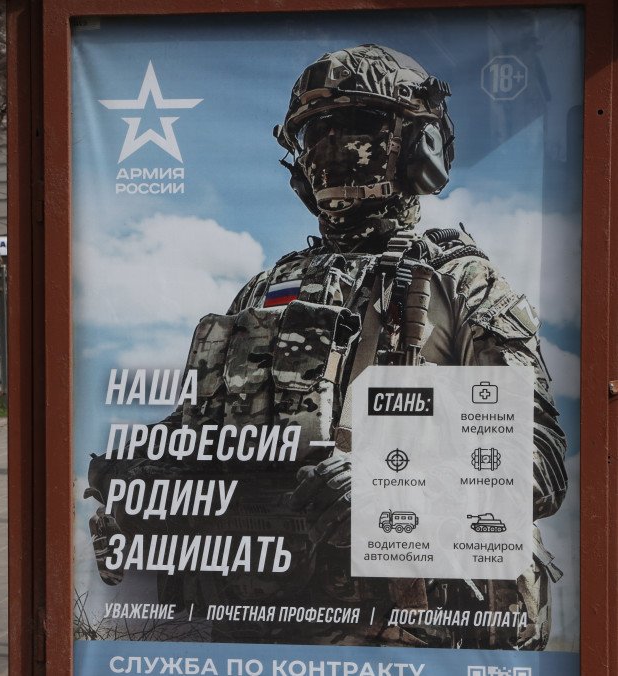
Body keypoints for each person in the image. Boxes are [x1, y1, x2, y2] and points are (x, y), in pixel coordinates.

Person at [86, 44, 567, 649]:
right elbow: (201, 427)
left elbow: (537, 466)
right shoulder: (266, 290)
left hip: (410, 634)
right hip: (264, 628)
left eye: (360, 126)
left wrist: (390, 486)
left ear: (422, 150)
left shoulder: (459, 282)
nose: (332, 148)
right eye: (315, 131)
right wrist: (145, 475)